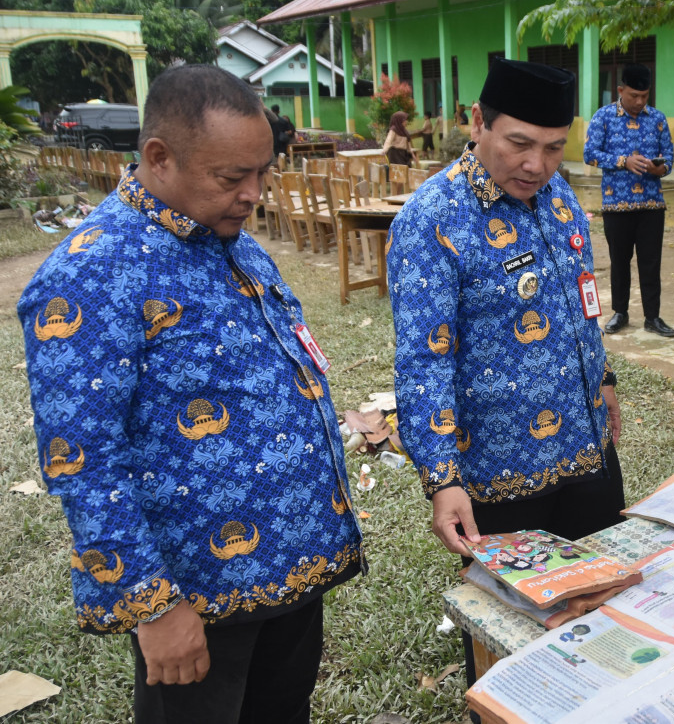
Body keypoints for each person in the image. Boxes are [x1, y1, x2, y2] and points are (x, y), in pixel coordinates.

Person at [19, 65, 365, 723]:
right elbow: (82, 458)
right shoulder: (90, 275)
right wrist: (153, 606)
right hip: (198, 598)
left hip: (291, 571)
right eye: (232, 178)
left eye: (262, 173)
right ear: (159, 157)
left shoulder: (234, 244)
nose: (253, 194)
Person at [388, 57, 624, 686]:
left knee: (599, 620)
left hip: (587, 452)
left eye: (552, 147)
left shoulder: (560, 195)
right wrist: (441, 479)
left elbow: (581, 299)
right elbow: (423, 361)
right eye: (519, 143)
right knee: (513, 641)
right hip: (501, 475)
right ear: (477, 122)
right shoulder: (431, 220)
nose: (536, 165)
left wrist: (605, 384)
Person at [583, 64, 674, 338]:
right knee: (619, 262)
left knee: (651, 263)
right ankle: (620, 313)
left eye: (644, 96)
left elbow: (668, 158)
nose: (639, 102)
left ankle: (653, 317)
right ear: (620, 90)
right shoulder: (603, 117)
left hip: (651, 205)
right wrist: (624, 161)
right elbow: (590, 154)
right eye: (634, 95)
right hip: (616, 205)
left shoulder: (658, 119)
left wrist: (661, 168)